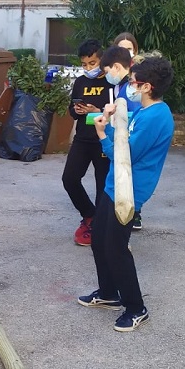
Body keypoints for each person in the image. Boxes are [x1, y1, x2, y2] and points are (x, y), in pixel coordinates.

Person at [77, 57, 175, 332]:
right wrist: (109, 121)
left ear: (147, 87)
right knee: (99, 239)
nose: (129, 86)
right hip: (115, 184)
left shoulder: (157, 116)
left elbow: (125, 154)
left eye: (134, 82)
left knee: (116, 247)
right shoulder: (144, 112)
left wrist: (101, 134)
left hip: (129, 190)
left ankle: (136, 307)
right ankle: (109, 293)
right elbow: (123, 138)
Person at [62, 39, 112, 246]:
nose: (88, 68)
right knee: (70, 179)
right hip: (82, 139)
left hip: (103, 140)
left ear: (101, 60)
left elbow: (118, 113)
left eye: (92, 63)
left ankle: (99, 227)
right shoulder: (80, 82)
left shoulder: (111, 83)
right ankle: (89, 214)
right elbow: (71, 110)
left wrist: (97, 112)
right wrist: (78, 110)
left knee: (103, 186)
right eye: (84, 64)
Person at [103, 44, 144, 230]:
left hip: (129, 144)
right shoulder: (124, 87)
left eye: (107, 71)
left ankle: (128, 222)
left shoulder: (129, 90)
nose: (107, 76)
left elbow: (134, 116)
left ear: (117, 67)